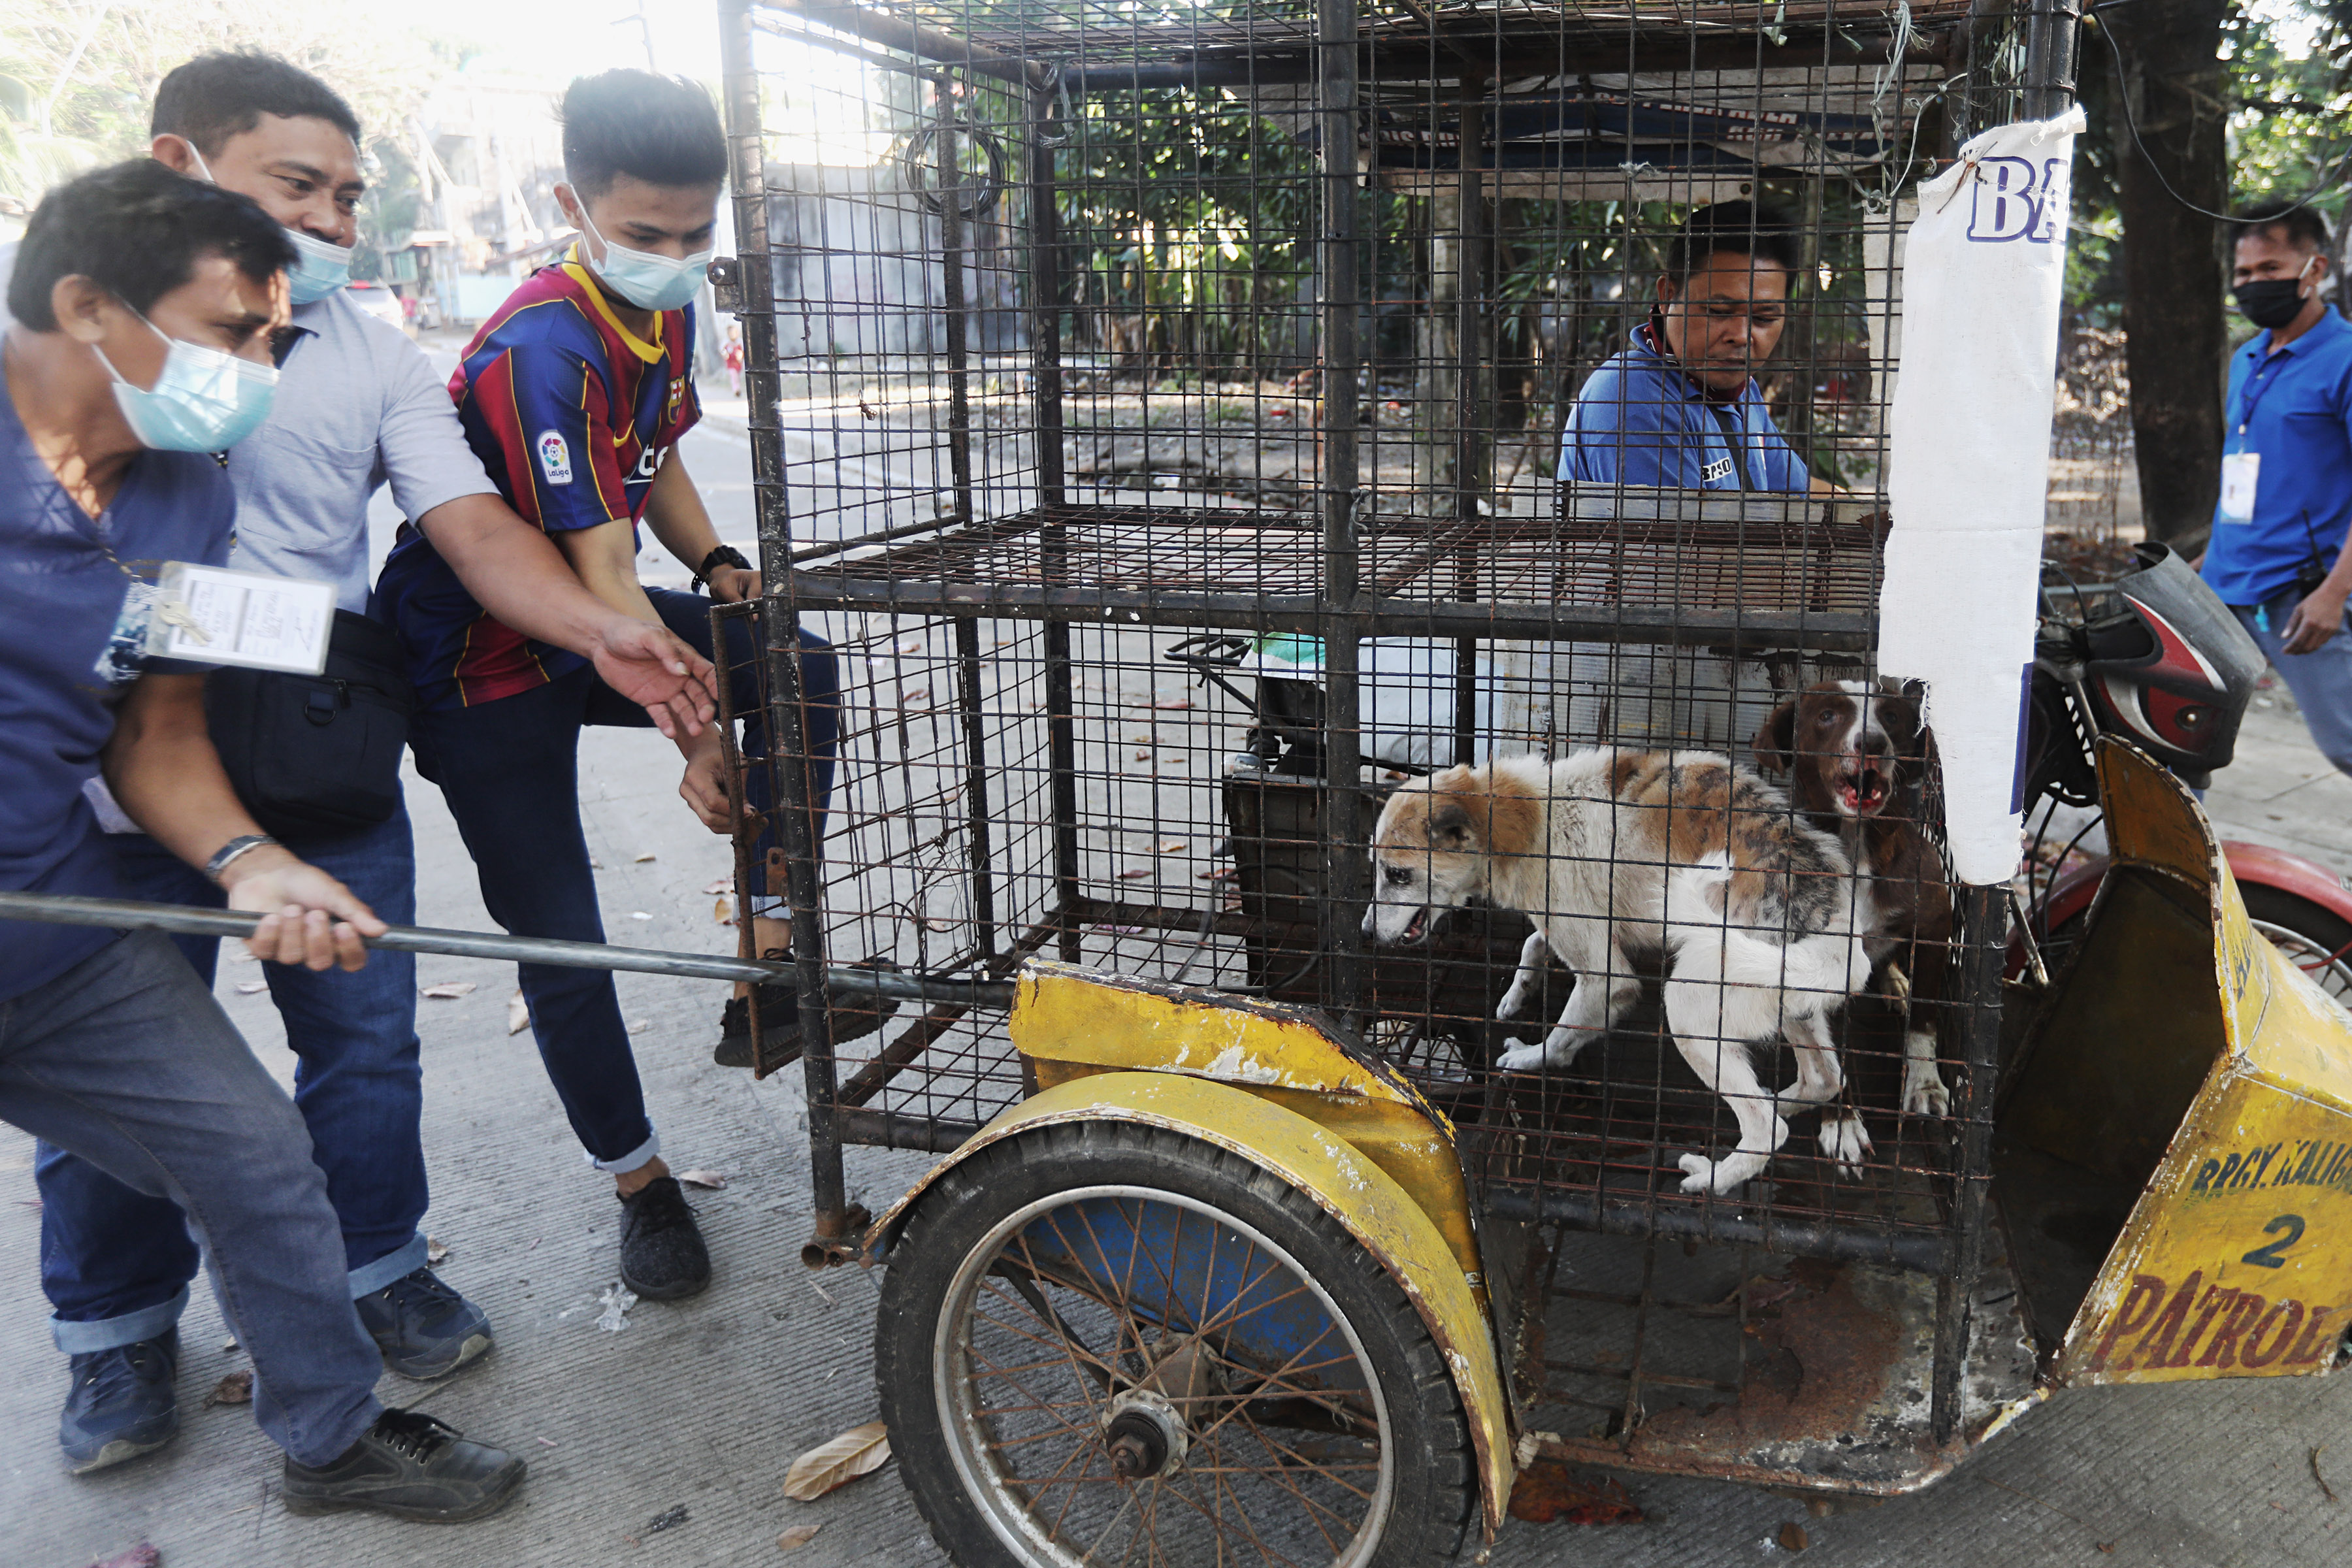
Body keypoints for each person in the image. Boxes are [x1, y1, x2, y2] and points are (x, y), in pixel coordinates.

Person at [8, 52, 720, 1474]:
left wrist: (603, 633)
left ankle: (366, 1289)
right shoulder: (115, 373)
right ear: (179, 170)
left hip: (277, 724)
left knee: (325, 1069)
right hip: (97, 785)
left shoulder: (258, 424)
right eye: (297, 189)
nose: (333, 220)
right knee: (121, 1100)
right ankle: (118, 1332)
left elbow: (455, 526)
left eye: (348, 193)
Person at [2, 158, 521, 1519]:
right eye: (233, 333)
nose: (255, 369)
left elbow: (156, 736)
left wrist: (252, 861)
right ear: (87, 302)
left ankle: (328, 1437)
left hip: (56, 939)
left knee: (257, 1162)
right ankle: (112, 1341)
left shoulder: (185, 498)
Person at [376, 69, 841, 1303]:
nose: (675, 257)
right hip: (480, 659)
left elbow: (655, 461)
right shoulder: (540, 345)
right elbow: (598, 565)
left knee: (795, 662)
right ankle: (642, 1186)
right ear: (573, 204)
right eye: (645, 235)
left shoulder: (669, 308)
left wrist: (725, 566)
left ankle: (768, 943)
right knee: (559, 932)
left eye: (698, 235)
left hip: (601, 606)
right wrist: (686, 723)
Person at [2198, 201, 2352, 779]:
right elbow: (2247, 468)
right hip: (2223, 588)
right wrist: (2209, 556)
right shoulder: (2248, 359)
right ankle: (2180, 868)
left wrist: (2335, 594)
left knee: (2347, 742)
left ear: (2314, 270)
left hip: (2299, 594)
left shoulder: (2345, 359)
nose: (2253, 284)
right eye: (2243, 274)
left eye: (2269, 270)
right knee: (2182, 735)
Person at [1559, 201, 1835, 496]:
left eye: (1764, 318)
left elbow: (1801, 492)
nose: (1741, 337)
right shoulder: (1634, 398)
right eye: (1718, 310)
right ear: (1667, 297)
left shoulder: (1742, 391)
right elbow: (1679, 540)